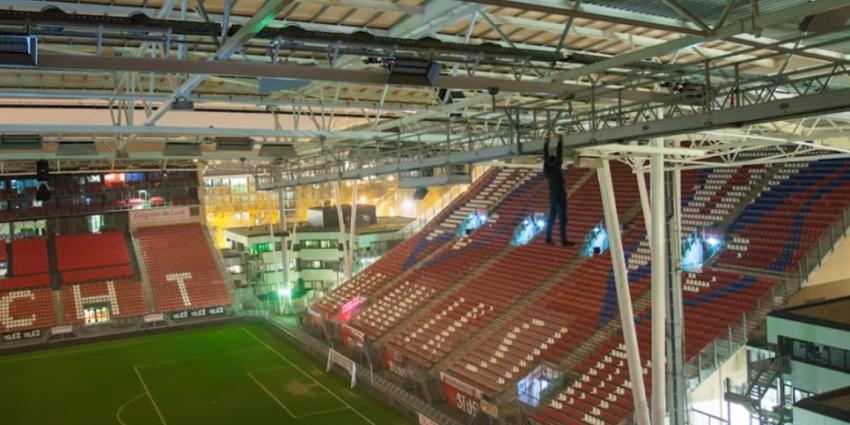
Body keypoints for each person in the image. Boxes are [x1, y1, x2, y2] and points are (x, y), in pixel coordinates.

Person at [543, 135, 574, 247]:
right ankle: (563, 240)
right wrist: (559, 141)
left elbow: (546, 156)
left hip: (552, 195)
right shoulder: (555, 167)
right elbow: (558, 153)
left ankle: (548, 238)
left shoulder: (546, 169)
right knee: (562, 218)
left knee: (551, 218)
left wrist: (547, 143)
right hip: (560, 195)